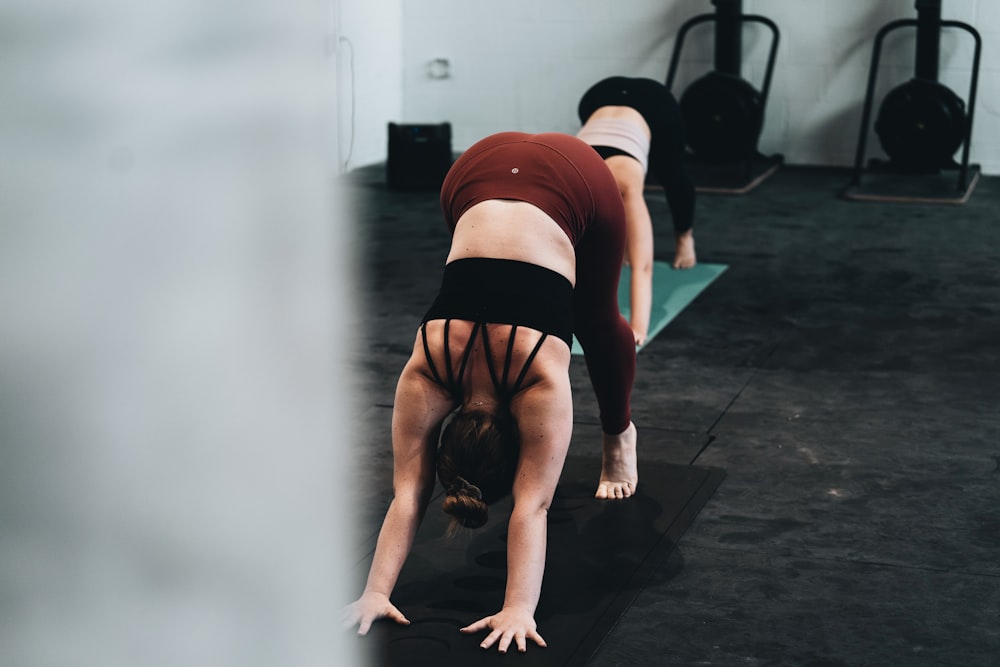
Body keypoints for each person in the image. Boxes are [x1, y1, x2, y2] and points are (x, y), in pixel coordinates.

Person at [342, 131, 639, 653]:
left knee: (598, 322)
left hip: (578, 174)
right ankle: (618, 435)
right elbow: (415, 494)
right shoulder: (425, 373)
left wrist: (520, 608)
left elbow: (531, 506)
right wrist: (372, 593)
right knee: (584, 312)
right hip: (472, 167)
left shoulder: (540, 381)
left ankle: (620, 433)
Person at [577, 76, 697, 346]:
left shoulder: (626, 184)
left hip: (655, 105)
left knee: (672, 174)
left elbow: (643, 266)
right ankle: (626, 245)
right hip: (597, 96)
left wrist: (637, 327)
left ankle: (685, 237)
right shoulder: (571, 184)